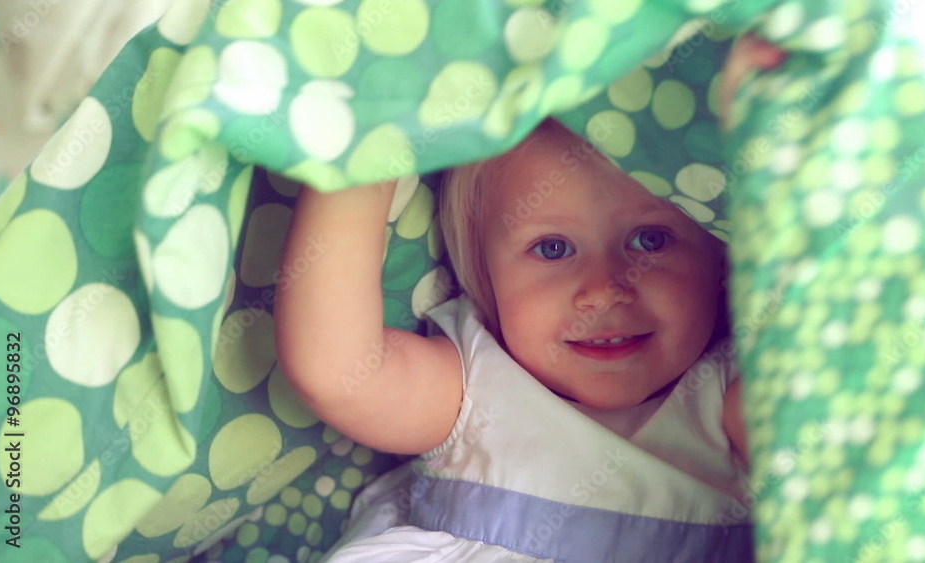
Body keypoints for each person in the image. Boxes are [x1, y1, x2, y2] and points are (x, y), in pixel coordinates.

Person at [275, 36, 784, 562]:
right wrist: (367, 149)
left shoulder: (728, 399)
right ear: (486, 273)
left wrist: (771, 117)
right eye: (553, 248)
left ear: (721, 261)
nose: (604, 289)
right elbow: (337, 373)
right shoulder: (476, 385)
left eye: (649, 240)